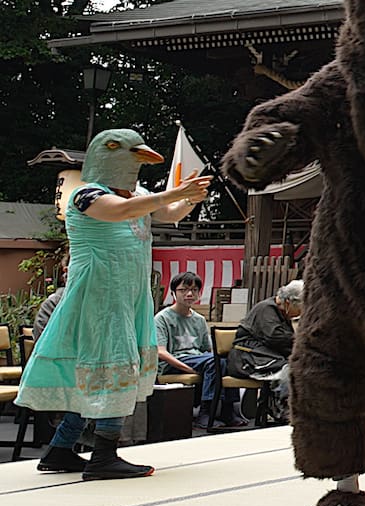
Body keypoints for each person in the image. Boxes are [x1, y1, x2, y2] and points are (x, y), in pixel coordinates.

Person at [17, 129, 211, 479]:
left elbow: (167, 212)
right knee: (114, 365)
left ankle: (61, 449)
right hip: (98, 297)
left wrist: (191, 197)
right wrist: (176, 193)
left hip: (126, 297)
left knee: (98, 372)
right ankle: (104, 454)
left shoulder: (138, 194)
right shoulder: (86, 194)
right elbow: (120, 211)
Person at [156, 271, 245, 429]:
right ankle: (206, 413)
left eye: (194, 290)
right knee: (213, 362)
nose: (189, 294)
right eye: (183, 290)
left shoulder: (199, 319)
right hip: (174, 362)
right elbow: (161, 352)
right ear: (173, 293)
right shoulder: (162, 318)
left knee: (224, 360)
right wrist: (189, 369)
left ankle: (228, 410)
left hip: (199, 360)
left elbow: (207, 349)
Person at [227, 279, 303, 424]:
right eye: (299, 308)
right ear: (289, 302)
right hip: (246, 356)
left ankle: (287, 409)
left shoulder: (281, 312)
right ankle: (284, 411)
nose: (300, 313)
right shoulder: (266, 309)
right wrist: (304, 342)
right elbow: (275, 338)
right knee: (288, 368)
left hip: (260, 354)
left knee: (297, 365)